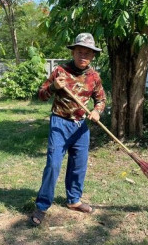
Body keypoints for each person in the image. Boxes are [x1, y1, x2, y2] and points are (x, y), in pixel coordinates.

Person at [30, 33, 106, 226]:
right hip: (60, 123)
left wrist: (97, 112)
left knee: (78, 165)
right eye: (80, 51)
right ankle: (42, 205)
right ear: (73, 52)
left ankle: (74, 200)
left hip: (81, 126)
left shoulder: (94, 77)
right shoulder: (60, 71)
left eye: (88, 53)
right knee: (53, 164)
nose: (83, 56)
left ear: (93, 56)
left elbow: (101, 99)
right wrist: (54, 87)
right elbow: (41, 95)